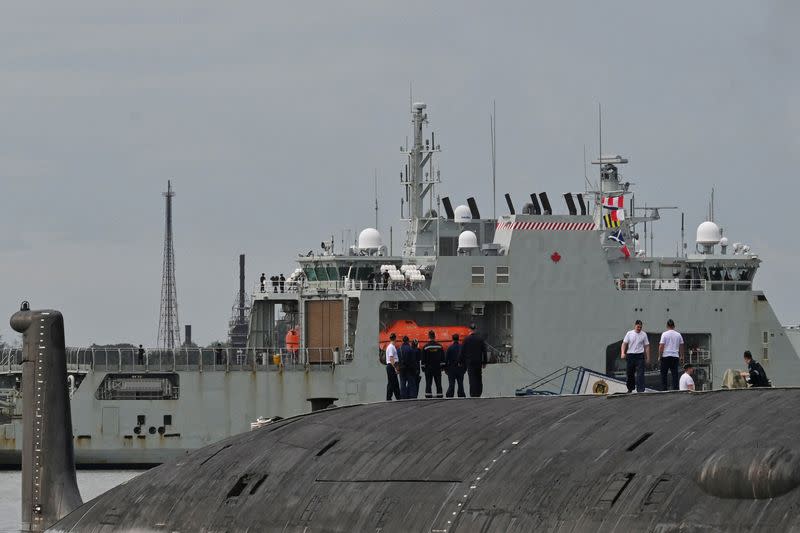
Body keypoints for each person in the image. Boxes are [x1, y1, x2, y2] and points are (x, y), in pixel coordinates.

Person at [621, 319, 650, 393]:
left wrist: (648, 357)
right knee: (630, 373)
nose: (639, 328)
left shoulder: (644, 334)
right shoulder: (629, 333)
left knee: (640, 374)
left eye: (640, 327)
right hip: (630, 355)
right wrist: (623, 353)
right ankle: (630, 388)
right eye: (638, 327)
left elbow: (647, 346)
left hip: (640, 355)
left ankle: (640, 390)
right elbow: (624, 344)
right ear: (635, 326)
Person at [460, 324, 487, 397]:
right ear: (476, 329)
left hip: (470, 362)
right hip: (478, 362)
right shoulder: (480, 339)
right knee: (478, 378)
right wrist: (484, 362)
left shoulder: (466, 339)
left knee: (472, 378)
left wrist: (461, 362)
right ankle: (479, 392)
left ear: (469, 330)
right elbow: (484, 351)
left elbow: (462, 351)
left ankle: (473, 393)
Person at [658, 319, 685, 391]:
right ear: (674, 326)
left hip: (665, 356)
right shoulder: (678, 334)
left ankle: (664, 389)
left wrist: (660, 356)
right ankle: (675, 389)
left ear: (667, 326)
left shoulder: (664, 334)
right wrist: (681, 356)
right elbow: (681, 346)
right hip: (675, 356)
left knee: (664, 374)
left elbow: (661, 346)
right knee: (675, 374)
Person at [422, 330, 445, 398]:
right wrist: (442, 367)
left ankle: (428, 395)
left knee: (428, 383)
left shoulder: (425, 347)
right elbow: (442, 358)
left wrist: (423, 368)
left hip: (428, 369)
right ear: (434, 336)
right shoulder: (439, 346)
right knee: (438, 383)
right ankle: (439, 394)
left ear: (429, 336)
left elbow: (423, 359)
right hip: (437, 368)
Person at [445, 333, 465, 398]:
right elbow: (464, 359)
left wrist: (446, 369)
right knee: (460, 384)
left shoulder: (450, 348)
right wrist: (464, 368)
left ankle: (449, 395)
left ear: (452, 339)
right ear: (458, 339)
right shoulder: (461, 347)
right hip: (460, 368)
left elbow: (446, 359)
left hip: (451, 369)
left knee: (451, 384)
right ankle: (461, 395)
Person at [384, 333, 401, 401]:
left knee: (392, 383)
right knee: (393, 383)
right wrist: (395, 368)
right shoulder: (391, 347)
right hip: (391, 366)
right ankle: (397, 397)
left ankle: (390, 397)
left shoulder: (390, 346)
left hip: (390, 366)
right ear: (395, 338)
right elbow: (391, 358)